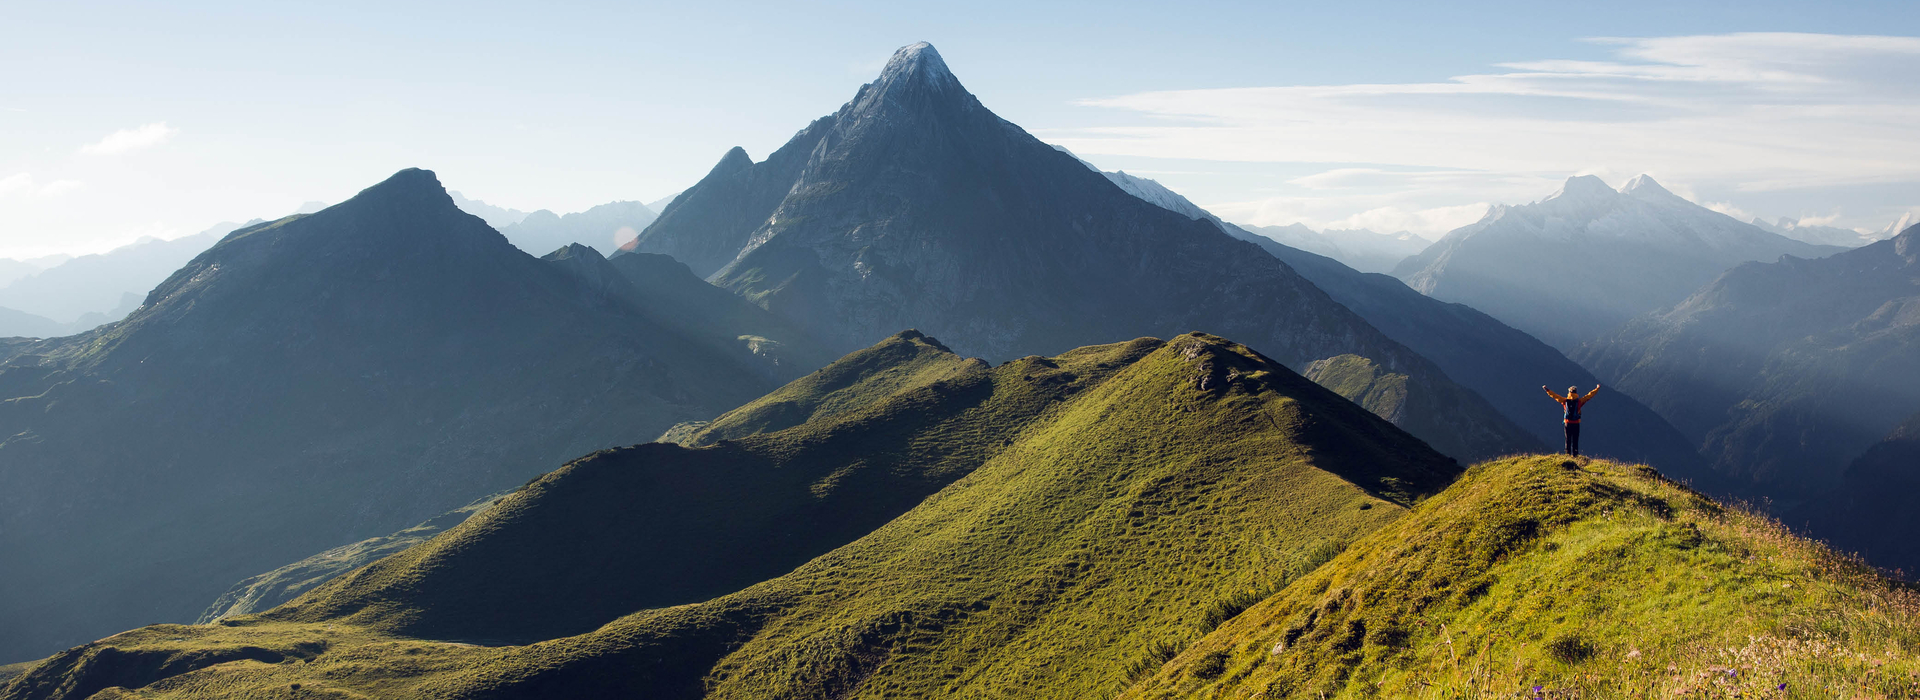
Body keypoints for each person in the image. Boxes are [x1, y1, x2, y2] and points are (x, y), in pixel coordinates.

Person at [1543, 384, 1600, 456]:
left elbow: (1555, 396)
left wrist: (1547, 389)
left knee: (1568, 439)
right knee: (1575, 440)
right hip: (1576, 423)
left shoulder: (1564, 401)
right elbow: (1589, 395)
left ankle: (1568, 454)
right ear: (1576, 393)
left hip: (1567, 423)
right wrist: (1597, 388)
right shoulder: (1580, 401)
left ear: (1569, 393)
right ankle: (1575, 454)